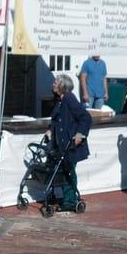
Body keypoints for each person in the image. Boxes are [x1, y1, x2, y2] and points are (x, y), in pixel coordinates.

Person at [45, 74, 92, 211]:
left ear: (63, 85)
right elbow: (57, 120)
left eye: (56, 82)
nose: (53, 84)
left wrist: (80, 134)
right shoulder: (59, 100)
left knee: (69, 171)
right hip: (61, 145)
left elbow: (86, 118)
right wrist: (50, 131)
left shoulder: (69, 98)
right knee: (63, 171)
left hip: (71, 145)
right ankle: (65, 199)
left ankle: (70, 201)